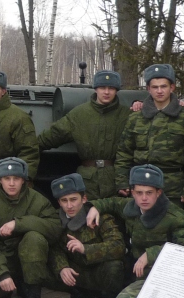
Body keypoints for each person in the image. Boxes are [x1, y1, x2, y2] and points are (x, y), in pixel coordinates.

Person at [88, 164, 184, 298]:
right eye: (139, 193)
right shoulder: (132, 207)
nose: (144, 198)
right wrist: (95, 207)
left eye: (149, 192)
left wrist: (151, 254)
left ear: (159, 192)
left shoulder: (175, 217)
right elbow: (112, 202)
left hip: (168, 277)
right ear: (132, 192)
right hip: (143, 275)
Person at [0, 157, 60, 298]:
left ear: (23, 180)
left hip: (30, 258)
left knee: (34, 238)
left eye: (16, 178)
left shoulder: (38, 200)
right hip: (4, 258)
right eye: (7, 178)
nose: (12, 183)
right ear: (0, 180)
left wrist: (19, 224)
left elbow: (55, 228)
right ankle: (9, 287)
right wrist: (1, 274)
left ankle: (33, 294)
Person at [115, 64, 184, 206]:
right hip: (141, 186)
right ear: (148, 89)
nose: (159, 91)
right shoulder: (136, 118)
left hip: (173, 188)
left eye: (163, 86)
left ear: (172, 87)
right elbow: (124, 153)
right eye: (155, 87)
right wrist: (122, 182)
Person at [38, 70, 128, 200]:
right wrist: (27, 149)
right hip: (87, 182)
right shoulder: (79, 114)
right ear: (96, 89)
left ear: (116, 91)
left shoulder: (126, 115)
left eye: (111, 88)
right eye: (102, 88)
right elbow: (52, 136)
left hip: (116, 180)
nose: (106, 92)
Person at [47, 173, 125, 298]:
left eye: (73, 199)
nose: (69, 205)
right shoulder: (55, 220)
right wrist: (62, 267)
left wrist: (86, 249)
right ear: (59, 202)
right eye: (64, 200)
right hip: (76, 271)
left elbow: (118, 246)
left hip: (98, 270)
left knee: (114, 266)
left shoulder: (100, 217)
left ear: (84, 199)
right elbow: (54, 247)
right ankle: (79, 294)